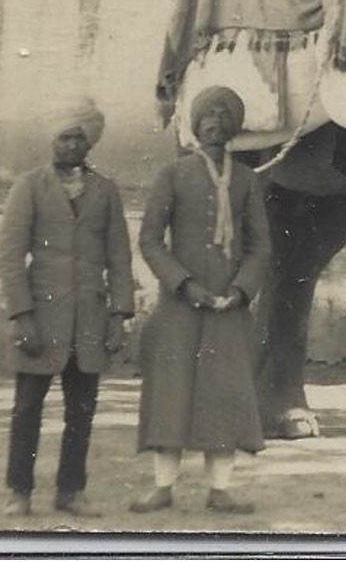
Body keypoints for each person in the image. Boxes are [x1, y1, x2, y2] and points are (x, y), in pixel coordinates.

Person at [131, 87, 271, 516]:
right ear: (194, 126)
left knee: (222, 394)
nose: (214, 123)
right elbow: (151, 240)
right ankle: (162, 487)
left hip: (228, 311)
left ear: (233, 129)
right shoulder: (173, 175)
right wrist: (185, 285)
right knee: (172, 394)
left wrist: (240, 291)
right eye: (207, 116)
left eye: (223, 116)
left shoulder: (247, 181)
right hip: (179, 307)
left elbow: (260, 247)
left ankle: (220, 489)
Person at [0, 97, 136, 520]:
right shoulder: (29, 186)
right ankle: (19, 491)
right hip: (40, 319)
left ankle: (71, 490)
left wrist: (118, 316)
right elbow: (8, 256)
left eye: (80, 137)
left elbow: (120, 258)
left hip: (89, 321)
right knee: (27, 409)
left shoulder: (105, 191)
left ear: (90, 142)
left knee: (82, 410)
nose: (72, 144)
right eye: (64, 137)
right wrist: (22, 315)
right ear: (51, 140)